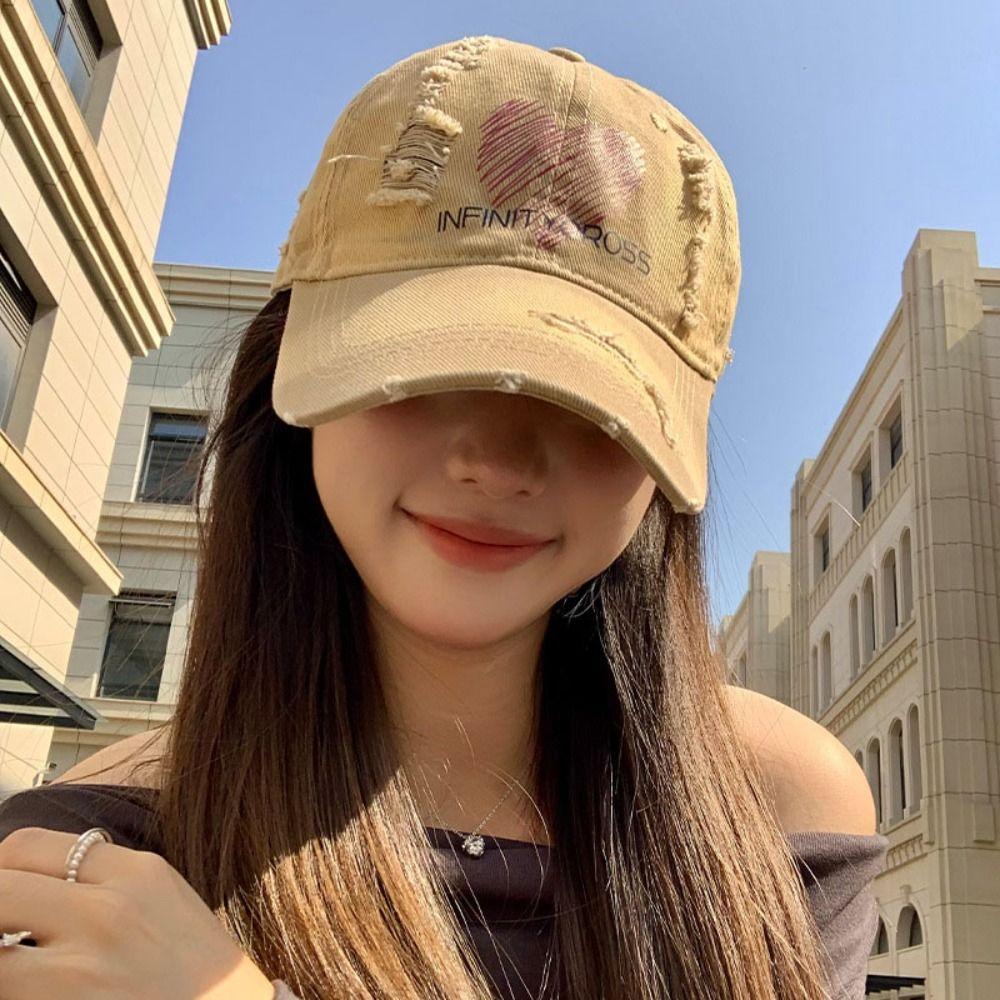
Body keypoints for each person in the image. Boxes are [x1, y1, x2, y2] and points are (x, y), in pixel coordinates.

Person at [0, 34, 888, 1000]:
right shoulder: (90, 858)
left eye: (589, 400)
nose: (497, 464)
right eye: (425, 364)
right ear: (291, 373)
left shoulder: (779, 805)